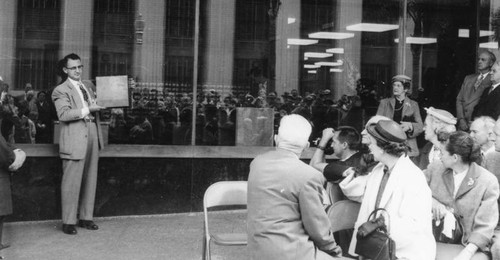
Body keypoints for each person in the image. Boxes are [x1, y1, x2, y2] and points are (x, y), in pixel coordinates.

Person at [247, 114, 342, 260]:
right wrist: (334, 251)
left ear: (276, 139)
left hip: (257, 250)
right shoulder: (309, 175)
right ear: (306, 146)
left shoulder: (257, 163)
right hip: (294, 253)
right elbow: (318, 228)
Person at [342, 119, 435, 259]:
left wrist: (378, 229)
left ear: (382, 148)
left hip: (403, 253)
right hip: (376, 248)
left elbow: (413, 227)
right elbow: (360, 194)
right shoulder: (379, 170)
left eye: (371, 143)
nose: (369, 147)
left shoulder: (413, 177)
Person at [51, 53, 105, 235]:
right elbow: (64, 114)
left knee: (91, 178)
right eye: (73, 68)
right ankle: (68, 221)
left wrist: (98, 105)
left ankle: (86, 217)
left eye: (80, 67)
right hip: (74, 137)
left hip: (91, 134)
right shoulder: (60, 90)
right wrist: (88, 108)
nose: (77, 71)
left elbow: (91, 108)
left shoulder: (86, 87)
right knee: (71, 182)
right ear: (65, 70)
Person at [427, 131, 499, 260]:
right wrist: (432, 201)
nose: (440, 157)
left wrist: (466, 254)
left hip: (469, 244)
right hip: (432, 238)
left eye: (442, 153)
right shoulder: (435, 168)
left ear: (455, 158)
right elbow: (414, 188)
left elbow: (485, 226)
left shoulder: (487, 181)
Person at [310, 126, 362, 202]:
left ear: (344, 145)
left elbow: (313, 167)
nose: (331, 145)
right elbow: (323, 171)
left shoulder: (343, 165)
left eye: (334, 142)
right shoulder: (361, 158)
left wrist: (324, 140)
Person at [376, 75, 424, 157]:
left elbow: (420, 126)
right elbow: (376, 123)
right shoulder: (384, 103)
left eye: (398, 86)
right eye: (394, 85)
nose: (395, 88)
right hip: (387, 143)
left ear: (405, 89)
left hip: (406, 146)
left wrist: (410, 126)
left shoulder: (413, 105)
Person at [456, 51, 496, 131]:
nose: (479, 61)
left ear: (491, 63)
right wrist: (461, 119)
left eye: (483, 60)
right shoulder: (468, 78)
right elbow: (459, 100)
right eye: (479, 59)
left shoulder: (493, 80)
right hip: (462, 124)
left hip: (477, 125)